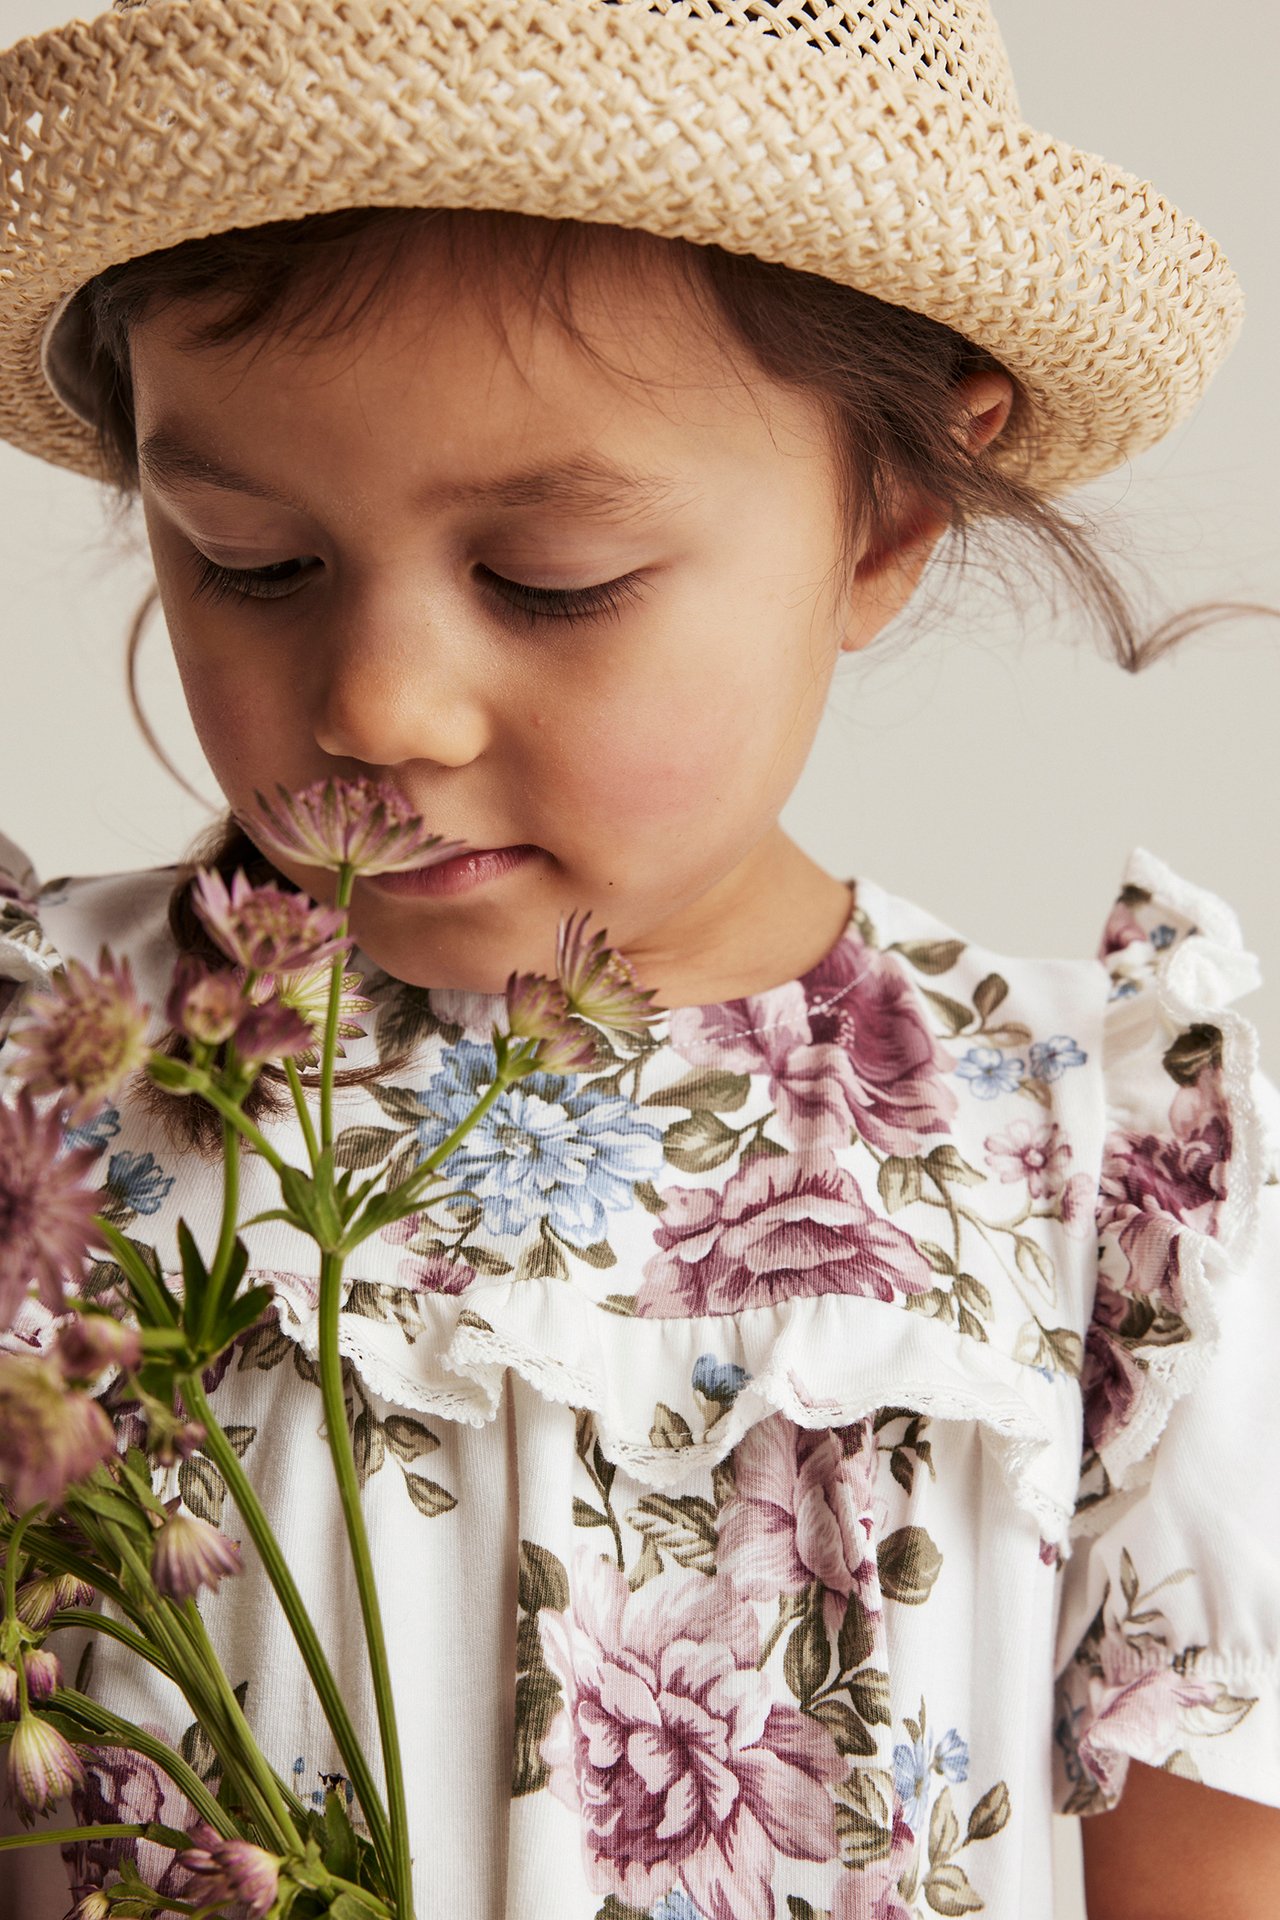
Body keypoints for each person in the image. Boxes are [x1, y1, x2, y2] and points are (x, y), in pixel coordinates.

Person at [0, 1, 1277, 1915]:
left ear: (890, 517)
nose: (380, 703)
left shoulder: (1097, 1174)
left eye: (551, 582)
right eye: (250, 556)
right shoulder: (50, 1088)